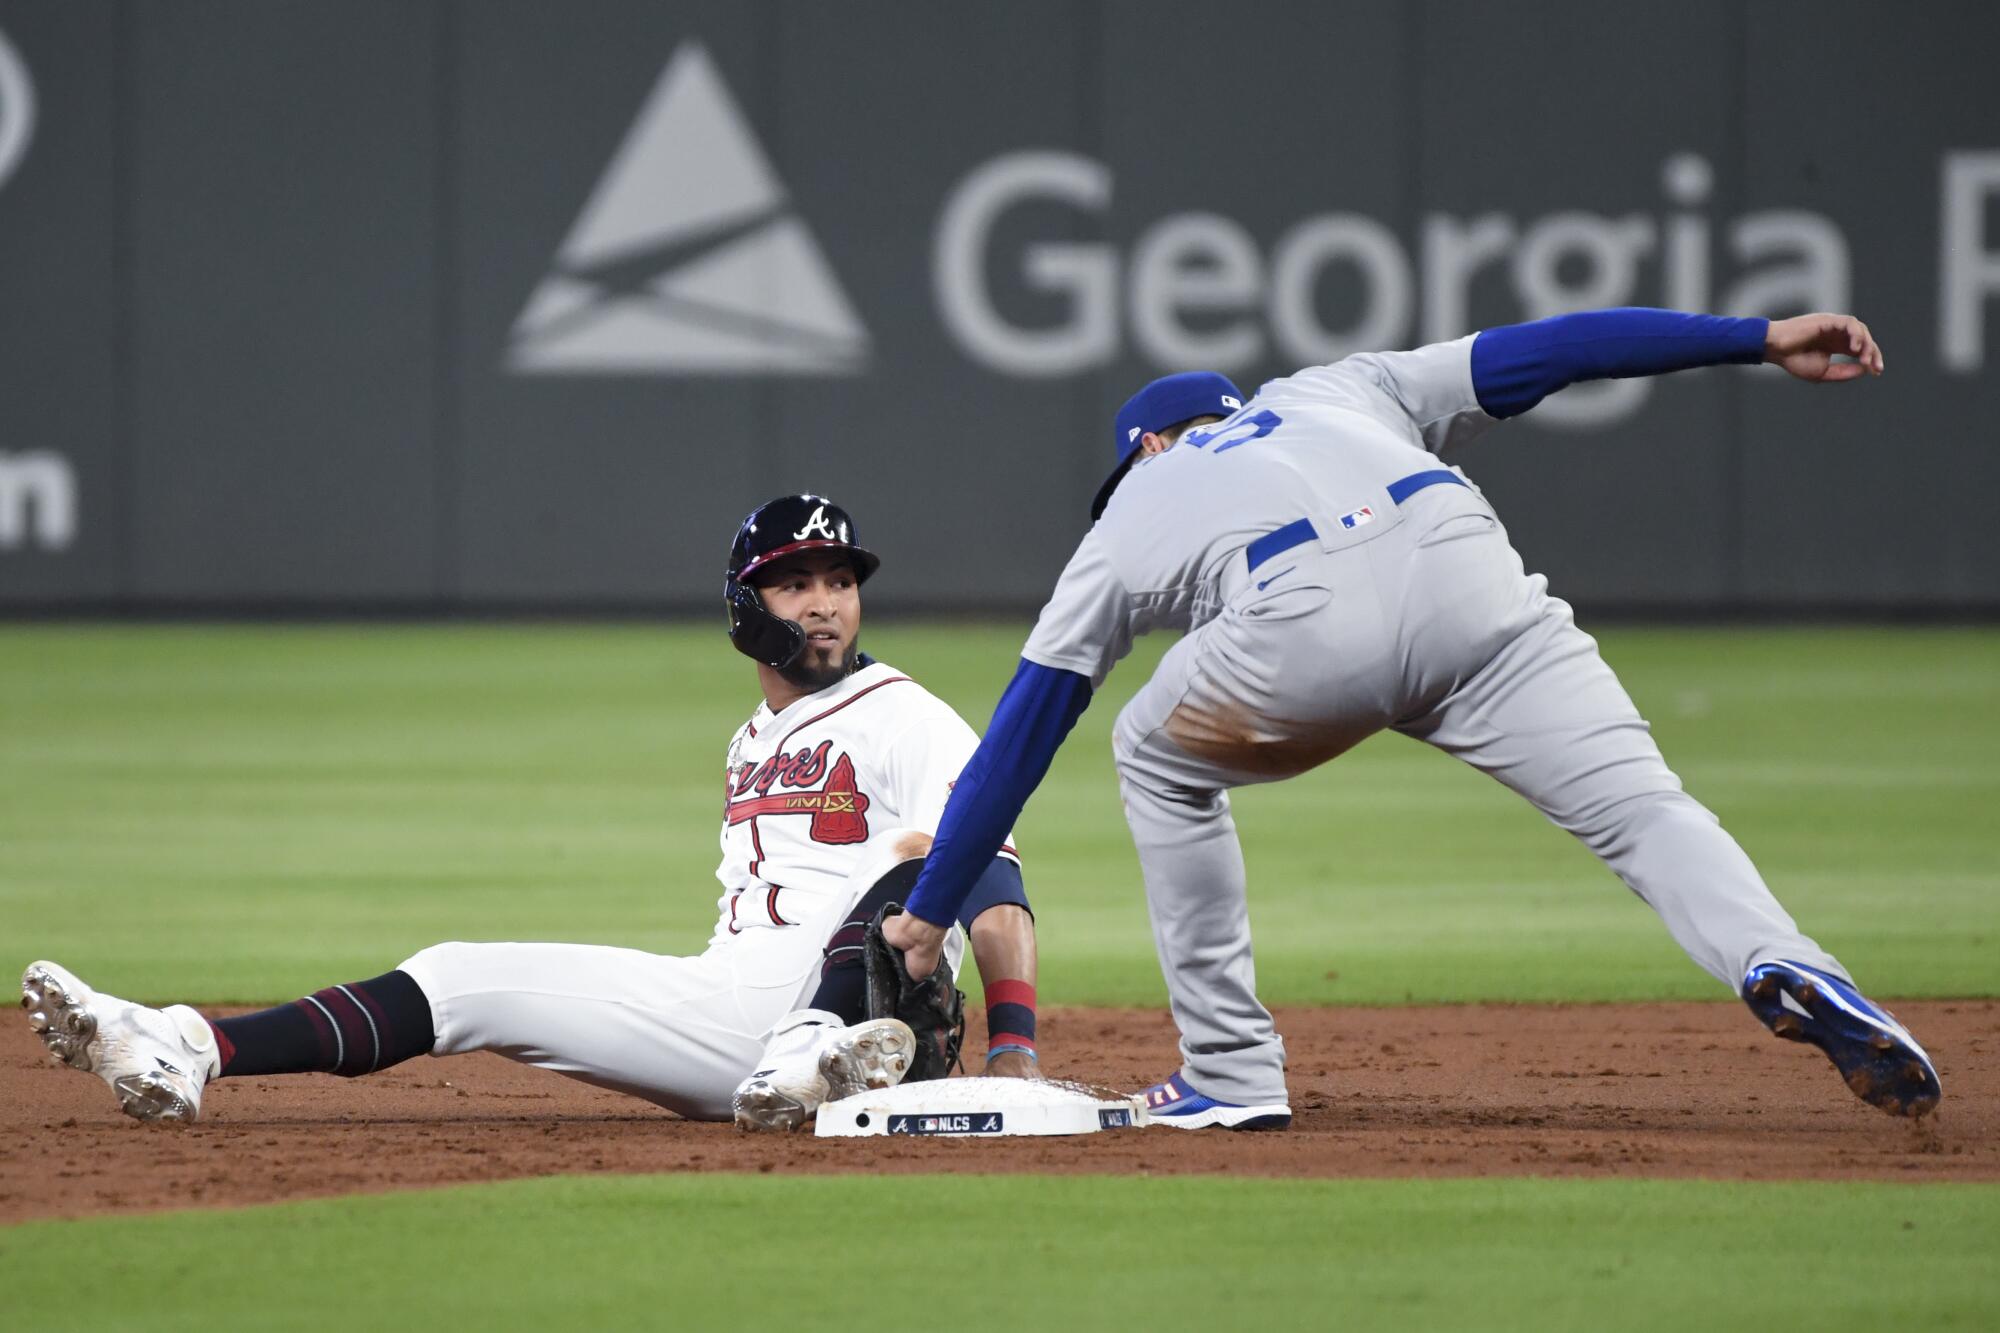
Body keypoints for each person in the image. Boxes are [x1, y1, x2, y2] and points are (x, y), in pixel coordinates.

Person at [880, 307, 1941, 1128]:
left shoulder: (1132, 511)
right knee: (1643, 811)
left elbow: (1023, 730)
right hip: (1463, 570)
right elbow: (1556, 346)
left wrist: (928, 914)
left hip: (1296, 621)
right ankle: (1790, 964)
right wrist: (1753, 339)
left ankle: (1230, 1072)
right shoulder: (1338, 387)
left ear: (1149, 447)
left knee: (1151, 757)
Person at [21, 495, 1040, 1132]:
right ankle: (189, 1045)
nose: (823, 603)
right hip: (730, 1017)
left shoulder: (905, 713)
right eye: (793, 584)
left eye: (838, 582)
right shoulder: (750, 740)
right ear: (742, 607)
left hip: (852, 1017)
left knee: (920, 852)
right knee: (462, 973)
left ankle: (818, 1048)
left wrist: (1012, 1049)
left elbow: (990, 868)